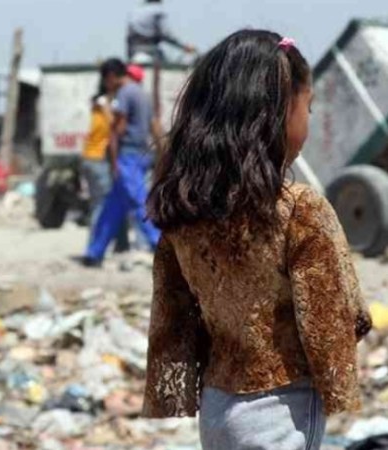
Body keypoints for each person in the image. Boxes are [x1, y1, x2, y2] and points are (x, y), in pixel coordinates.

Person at [142, 30, 372, 450]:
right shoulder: (299, 209)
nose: (308, 121)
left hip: (217, 407)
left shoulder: (185, 213)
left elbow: (172, 318)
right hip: (283, 406)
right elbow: (333, 319)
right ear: (278, 113)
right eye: (308, 108)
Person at [83, 59, 161, 266]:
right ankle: (94, 253)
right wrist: (161, 152)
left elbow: (118, 128)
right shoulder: (143, 94)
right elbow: (154, 126)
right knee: (113, 206)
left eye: (105, 80)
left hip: (128, 155)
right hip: (142, 154)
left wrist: (114, 159)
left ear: (111, 77)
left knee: (137, 201)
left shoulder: (124, 94)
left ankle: (159, 244)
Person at [82, 63, 129, 253]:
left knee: (113, 201)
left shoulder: (103, 102)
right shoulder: (104, 104)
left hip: (95, 158)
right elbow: (114, 126)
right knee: (101, 206)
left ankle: (120, 244)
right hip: (98, 158)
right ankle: (92, 250)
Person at [128, 0, 195, 62]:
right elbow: (166, 34)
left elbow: (128, 37)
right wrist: (184, 46)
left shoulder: (135, 11)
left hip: (134, 52)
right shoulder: (158, 11)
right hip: (151, 52)